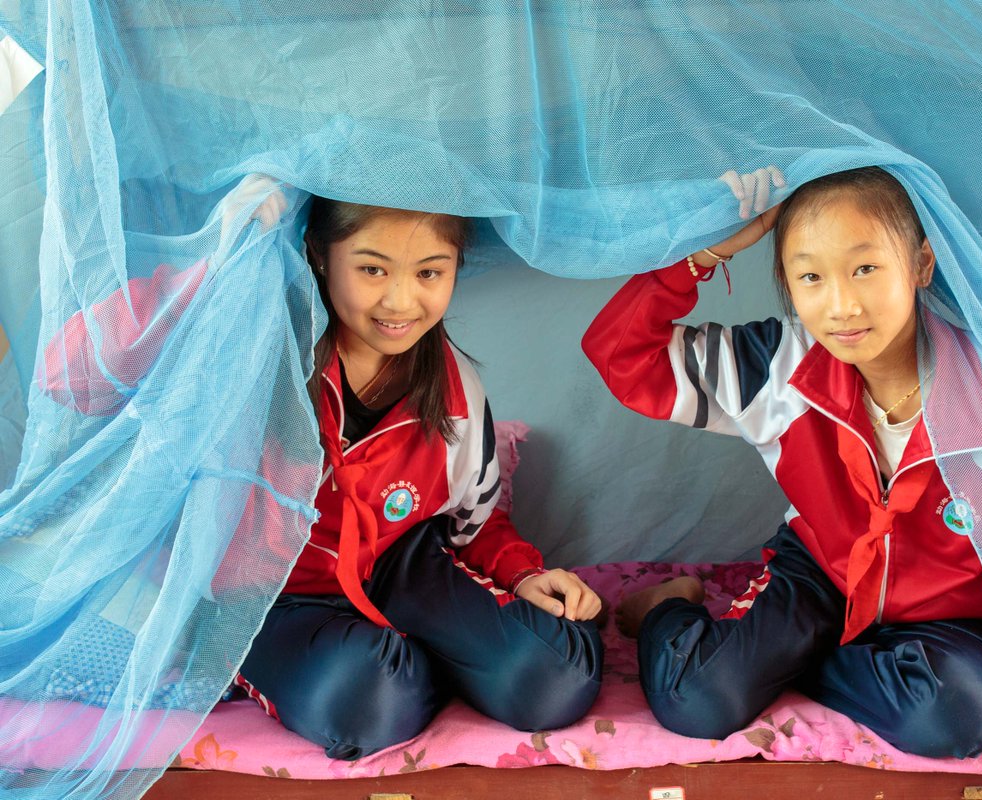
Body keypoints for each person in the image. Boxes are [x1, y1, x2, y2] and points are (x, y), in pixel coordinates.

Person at [39, 181, 605, 760]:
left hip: (403, 572)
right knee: (368, 703)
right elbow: (68, 373)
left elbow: (475, 525)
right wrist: (221, 263)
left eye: (429, 273)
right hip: (268, 597)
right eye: (373, 270)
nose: (401, 303)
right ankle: (415, 667)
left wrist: (523, 575)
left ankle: (435, 655)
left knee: (555, 678)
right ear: (319, 253)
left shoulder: (455, 387)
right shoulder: (256, 342)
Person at [582, 165, 982, 759]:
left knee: (955, 718)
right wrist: (701, 256)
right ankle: (670, 608)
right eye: (810, 276)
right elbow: (623, 356)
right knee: (698, 698)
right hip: (822, 579)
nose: (841, 306)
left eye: (865, 268)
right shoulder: (780, 365)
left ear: (921, 264)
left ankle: (786, 663)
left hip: (950, 616)